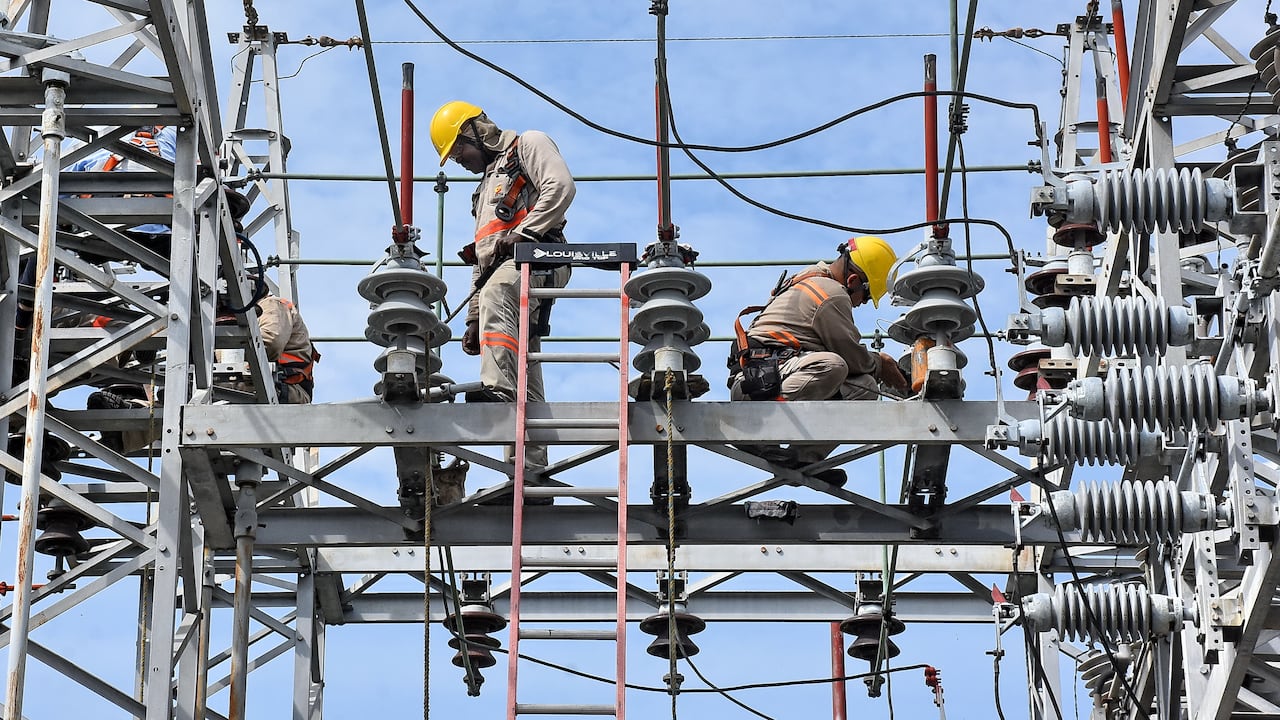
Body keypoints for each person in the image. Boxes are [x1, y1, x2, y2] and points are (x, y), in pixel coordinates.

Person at [430, 100, 573, 482]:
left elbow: (561, 187)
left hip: (541, 258)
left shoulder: (528, 145)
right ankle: (528, 470)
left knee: (500, 295)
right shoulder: (483, 193)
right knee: (526, 362)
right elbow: (483, 261)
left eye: (459, 150)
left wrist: (525, 234)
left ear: (473, 132)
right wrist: (475, 316)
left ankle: (498, 389)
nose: (459, 160)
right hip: (506, 273)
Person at [727, 236, 911, 487]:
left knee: (865, 388)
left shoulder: (812, 279)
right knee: (832, 365)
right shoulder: (831, 293)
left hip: (775, 375)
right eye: (865, 297)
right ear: (853, 281)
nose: (861, 304)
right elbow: (850, 355)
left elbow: (860, 369)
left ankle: (802, 459)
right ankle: (759, 429)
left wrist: (875, 370)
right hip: (757, 383)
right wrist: (882, 364)